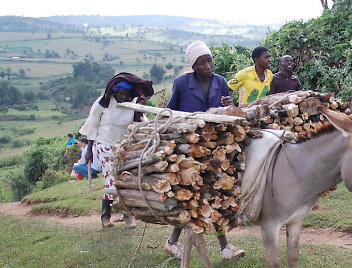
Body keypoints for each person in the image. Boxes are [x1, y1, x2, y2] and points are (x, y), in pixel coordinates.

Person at [164, 40, 244, 261]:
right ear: (193, 65)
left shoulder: (220, 82)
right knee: (196, 196)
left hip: (215, 147)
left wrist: (230, 102)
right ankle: (223, 247)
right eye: (202, 63)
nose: (208, 66)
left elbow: (229, 111)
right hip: (190, 149)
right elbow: (170, 110)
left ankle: (175, 243)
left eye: (209, 60)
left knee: (215, 194)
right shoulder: (182, 83)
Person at [79, 72, 154, 229]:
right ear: (114, 92)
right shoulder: (102, 103)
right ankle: (107, 216)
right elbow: (93, 125)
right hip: (104, 144)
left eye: (127, 95)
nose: (123, 98)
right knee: (112, 180)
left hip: (124, 146)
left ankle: (127, 214)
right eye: (120, 94)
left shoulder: (132, 104)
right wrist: (89, 150)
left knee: (125, 179)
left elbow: (141, 122)